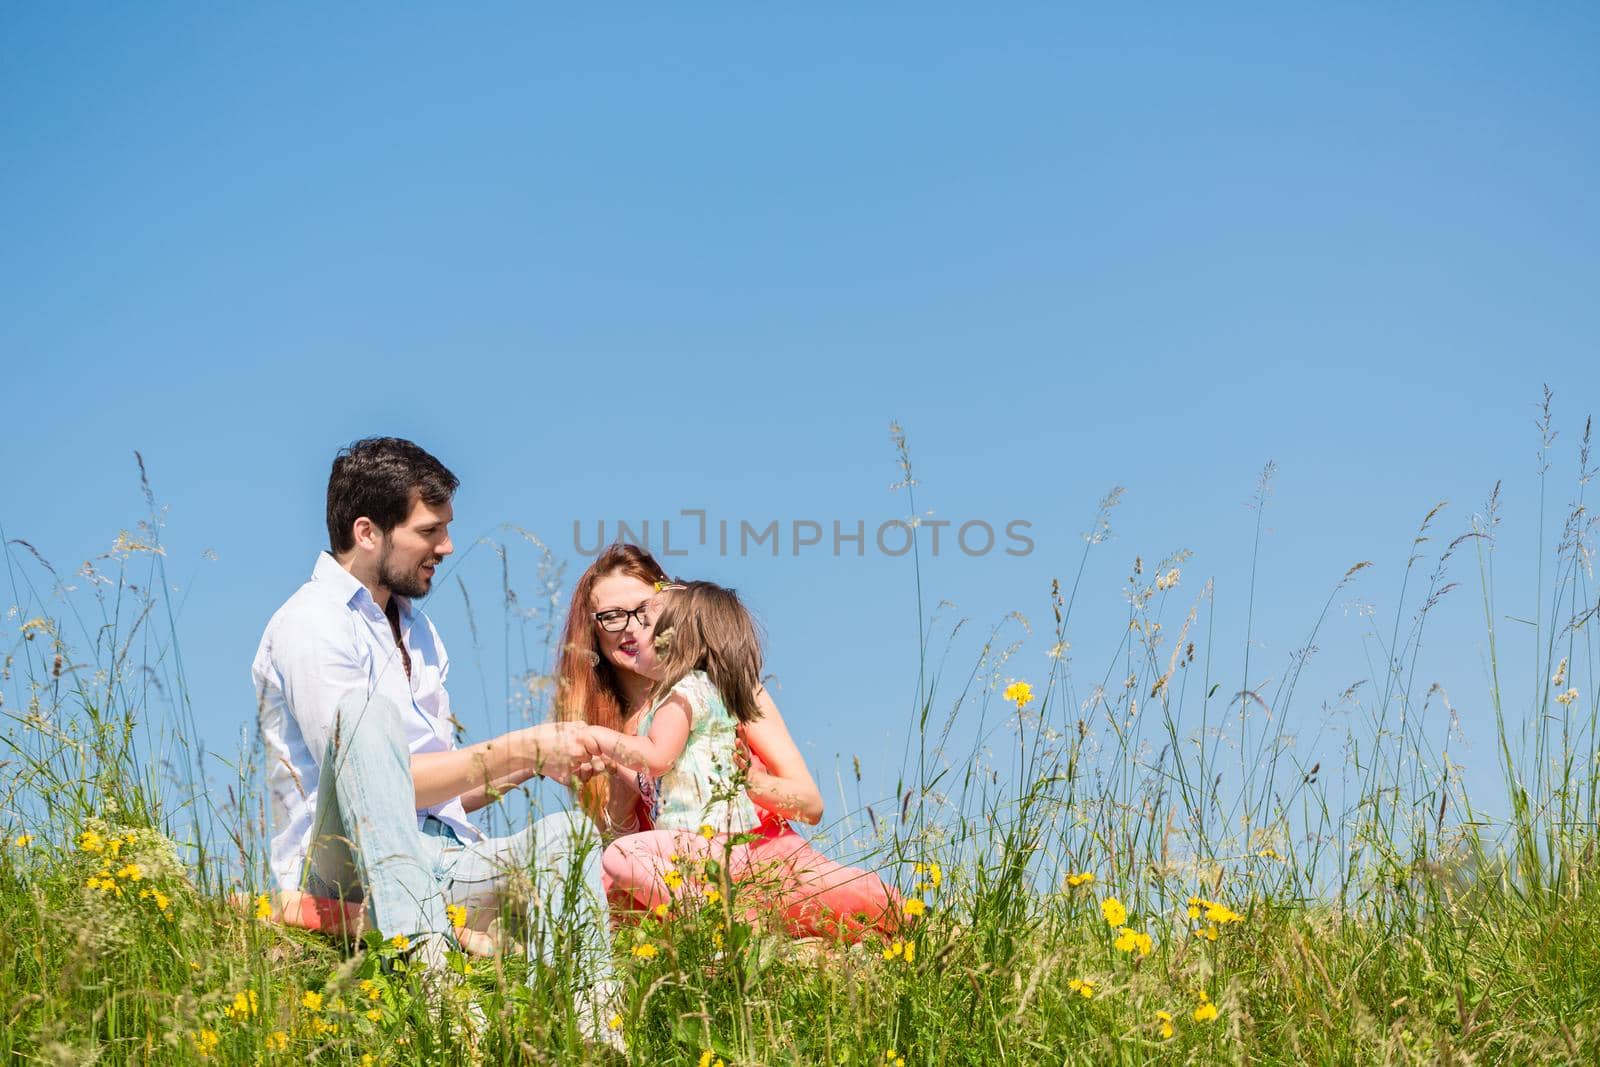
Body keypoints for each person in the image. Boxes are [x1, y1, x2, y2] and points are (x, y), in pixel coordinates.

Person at [252, 437, 616, 1031]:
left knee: (566, 836)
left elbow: (440, 789)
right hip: (346, 863)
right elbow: (380, 789)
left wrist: (537, 763)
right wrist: (526, 744)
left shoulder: (420, 633)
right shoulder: (310, 623)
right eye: (429, 531)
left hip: (444, 855)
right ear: (368, 532)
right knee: (366, 722)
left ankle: (597, 1039)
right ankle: (446, 1005)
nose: (445, 547)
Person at [553, 545, 901, 942]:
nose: (632, 627)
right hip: (678, 881)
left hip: (761, 859)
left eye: (644, 610)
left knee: (872, 904)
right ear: (592, 632)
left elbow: (810, 804)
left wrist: (746, 780)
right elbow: (619, 846)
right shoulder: (602, 729)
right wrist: (612, 771)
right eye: (613, 616)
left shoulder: (723, 689)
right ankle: (721, 925)